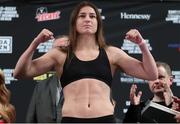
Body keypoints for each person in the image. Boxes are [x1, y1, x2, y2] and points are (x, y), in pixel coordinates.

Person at [13, 1, 158, 123]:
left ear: (98, 23)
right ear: (74, 23)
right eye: (82, 16)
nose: (87, 19)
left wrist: (142, 45)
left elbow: (151, 74)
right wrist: (35, 43)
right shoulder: (60, 54)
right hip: (72, 119)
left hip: (105, 119)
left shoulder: (112, 53)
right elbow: (20, 72)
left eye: (92, 16)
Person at [26, 36, 68, 123]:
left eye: (65, 49)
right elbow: (31, 118)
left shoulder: (84, 83)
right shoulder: (41, 85)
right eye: (55, 50)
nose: (59, 54)